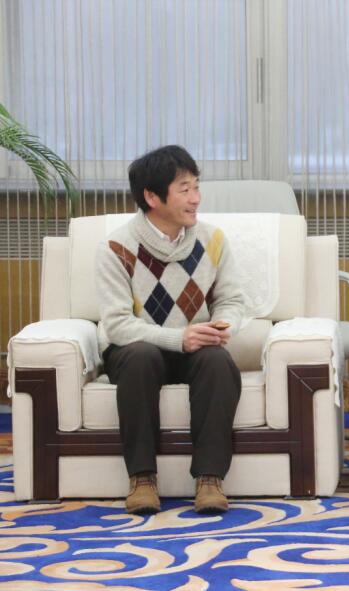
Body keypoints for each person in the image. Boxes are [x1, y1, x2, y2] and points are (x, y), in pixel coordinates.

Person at [96, 145, 244, 515]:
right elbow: (117, 325)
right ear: (152, 197)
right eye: (185, 189)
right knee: (141, 357)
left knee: (218, 361)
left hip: (193, 348)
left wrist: (222, 325)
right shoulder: (116, 247)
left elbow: (231, 300)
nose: (196, 198)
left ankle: (210, 479)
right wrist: (178, 338)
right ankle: (142, 479)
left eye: (197, 187)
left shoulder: (213, 240)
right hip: (134, 350)